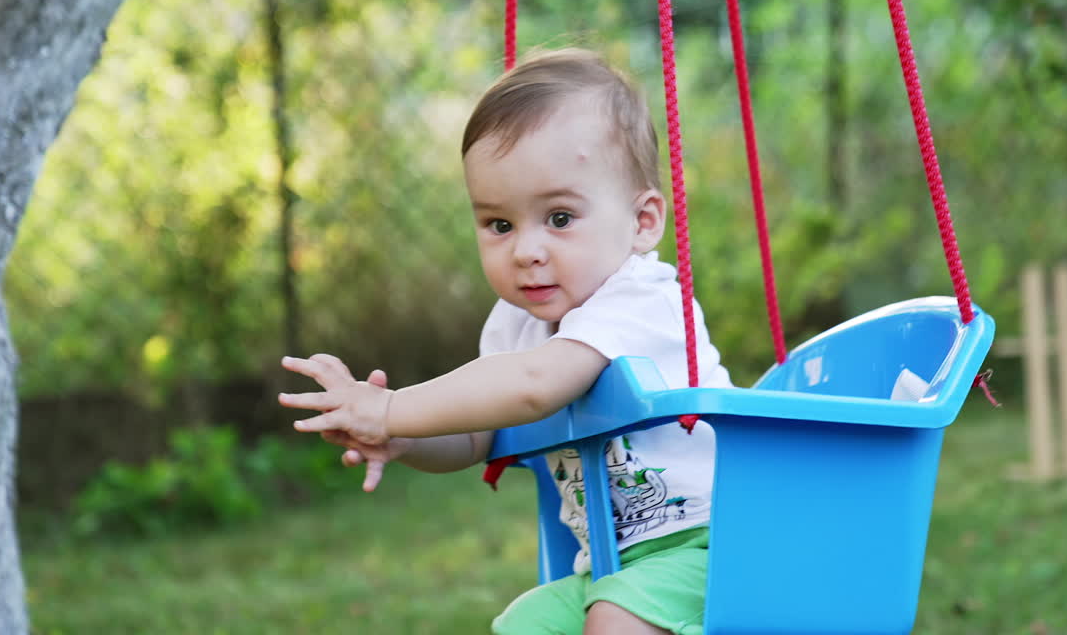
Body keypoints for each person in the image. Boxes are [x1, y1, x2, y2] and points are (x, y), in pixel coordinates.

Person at [278, 48, 733, 635]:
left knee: (616, 623)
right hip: (613, 567)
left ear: (643, 222)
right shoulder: (515, 325)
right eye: (500, 224)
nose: (526, 250)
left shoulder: (643, 298)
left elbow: (533, 387)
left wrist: (393, 405)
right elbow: (474, 436)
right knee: (521, 626)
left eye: (560, 218)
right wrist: (401, 435)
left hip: (716, 542)